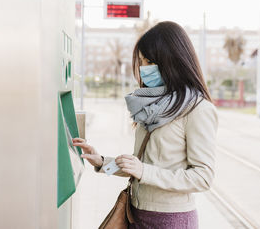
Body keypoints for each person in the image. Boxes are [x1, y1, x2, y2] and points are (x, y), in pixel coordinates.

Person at [72, 21, 218, 229]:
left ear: (172, 60)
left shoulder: (197, 109)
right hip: (136, 213)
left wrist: (143, 171)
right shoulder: (151, 105)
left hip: (171, 220)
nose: (143, 68)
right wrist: (102, 162)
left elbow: (203, 177)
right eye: (141, 61)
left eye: (149, 61)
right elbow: (141, 164)